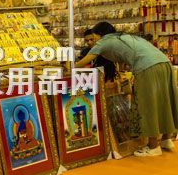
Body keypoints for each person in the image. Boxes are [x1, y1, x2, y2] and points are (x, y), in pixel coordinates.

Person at [76, 22, 178, 157]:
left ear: (100, 35)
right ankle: (166, 139)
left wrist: (70, 68)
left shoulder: (104, 41)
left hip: (147, 67)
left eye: (93, 38)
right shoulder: (126, 37)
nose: (93, 41)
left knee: (147, 104)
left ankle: (153, 146)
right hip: (165, 64)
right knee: (165, 101)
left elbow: (86, 60)